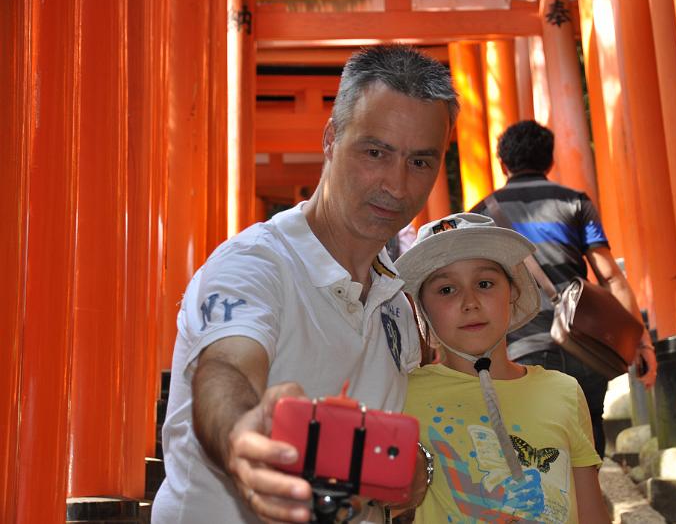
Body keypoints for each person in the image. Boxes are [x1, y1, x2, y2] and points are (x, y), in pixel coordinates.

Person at [151, 45, 459, 524]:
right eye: (375, 153)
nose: (397, 186)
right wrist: (240, 438)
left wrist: (415, 464)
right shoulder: (253, 264)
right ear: (331, 138)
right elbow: (227, 367)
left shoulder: (394, 295)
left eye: (420, 162)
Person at [397, 213, 610, 523]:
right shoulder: (403, 394)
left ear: (513, 293)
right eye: (446, 290)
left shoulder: (562, 390)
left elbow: (592, 514)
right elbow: (379, 505)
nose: (469, 302)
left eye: (485, 284)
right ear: (423, 311)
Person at [471, 120, 657, 458]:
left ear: (503, 163)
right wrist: (641, 342)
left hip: (520, 350)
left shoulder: (482, 216)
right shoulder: (575, 203)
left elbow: (477, 290)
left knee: (534, 442)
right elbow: (611, 278)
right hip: (581, 345)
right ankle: (589, 507)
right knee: (586, 438)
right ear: (550, 161)